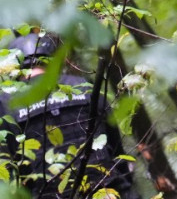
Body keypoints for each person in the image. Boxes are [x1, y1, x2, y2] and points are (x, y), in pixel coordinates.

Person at [0, 31, 136, 198]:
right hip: (108, 191)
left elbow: (10, 169)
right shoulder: (83, 85)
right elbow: (116, 148)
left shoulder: (7, 103)